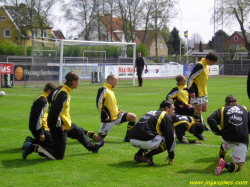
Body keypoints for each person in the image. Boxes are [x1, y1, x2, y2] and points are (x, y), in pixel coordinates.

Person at [22, 72, 105, 160]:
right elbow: (55, 113)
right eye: (78, 81)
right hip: (59, 125)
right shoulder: (63, 93)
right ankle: (31, 147)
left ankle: (93, 147)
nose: (79, 83)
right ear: (73, 81)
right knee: (58, 156)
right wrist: (59, 126)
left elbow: (50, 99)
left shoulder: (60, 87)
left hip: (64, 122)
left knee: (79, 132)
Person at [207, 95, 250, 175]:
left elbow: (210, 119)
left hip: (227, 137)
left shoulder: (223, 109)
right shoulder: (245, 109)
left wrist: (218, 132)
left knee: (225, 143)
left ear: (226, 103)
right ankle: (224, 164)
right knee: (238, 167)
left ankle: (221, 158)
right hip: (242, 138)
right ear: (237, 102)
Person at [89, 74, 137, 142]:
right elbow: (99, 104)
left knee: (133, 117)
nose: (116, 83)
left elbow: (111, 105)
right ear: (110, 80)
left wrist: (119, 110)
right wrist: (105, 115)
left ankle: (128, 138)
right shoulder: (103, 89)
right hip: (108, 119)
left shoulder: (111, 91)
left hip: (117, 116)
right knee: (98, 138)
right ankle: (83, 132)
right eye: (115, 81)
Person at [129, 100, 176, 166]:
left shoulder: (150, 112)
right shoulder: (165, 116)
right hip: (145, 141)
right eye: (173, 109)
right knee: (168, 139)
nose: (174, 111)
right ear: (167, 108)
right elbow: (171, 137)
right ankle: (148, 157)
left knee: (153, 133)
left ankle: (139, 154)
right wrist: (171, 155)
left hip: (132, 140)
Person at [187, 52, 218, 129]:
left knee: (204, 109)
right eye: (213, 62)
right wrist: (191, 91)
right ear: (207, 59)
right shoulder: (200, 65)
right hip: (197, 92)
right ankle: (197, 128)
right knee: (198, 110)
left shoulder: (206, 65)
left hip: (204, 92)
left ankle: (199, 123)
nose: (213, 64)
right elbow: (191, 78)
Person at [26, 82, 56, 147]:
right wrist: (41, 133)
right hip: (38, 128)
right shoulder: (42, 100)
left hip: (42, 126)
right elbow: (37, 118)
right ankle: (30, 144)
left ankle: (31, 141)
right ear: (48, 91)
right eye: (53, 93)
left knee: (55, 142)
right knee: (52, 146)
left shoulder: (44, 98)